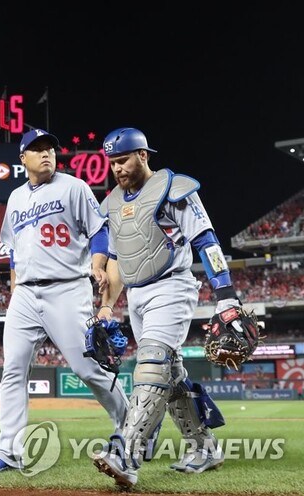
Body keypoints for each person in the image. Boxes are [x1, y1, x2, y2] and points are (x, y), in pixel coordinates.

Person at [0, 129, 129, 473]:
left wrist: (98, 266)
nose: (46, 154)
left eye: (50, 149)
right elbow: (12, 251)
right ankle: (8, 452)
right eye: (37, 149)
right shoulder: (14, 199)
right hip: (25, 294)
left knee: (86, 367)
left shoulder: (73, 187)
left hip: (67, 287)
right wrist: (15, 288)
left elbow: (99, 230)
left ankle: (131, 425)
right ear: (22, 159)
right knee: (13, 369)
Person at [92, 127, 232, 488]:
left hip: (172, 286)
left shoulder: (173, 188)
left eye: (123, 160)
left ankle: (127, 453)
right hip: (137, 295)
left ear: (143, 155)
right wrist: (107, 307)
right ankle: (205, 448)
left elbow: (206, 239)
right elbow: (118, 261)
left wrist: (226, 295)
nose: (117, 168)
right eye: (112, 163)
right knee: (171, 377)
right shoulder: (112, 203)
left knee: (151, 364)